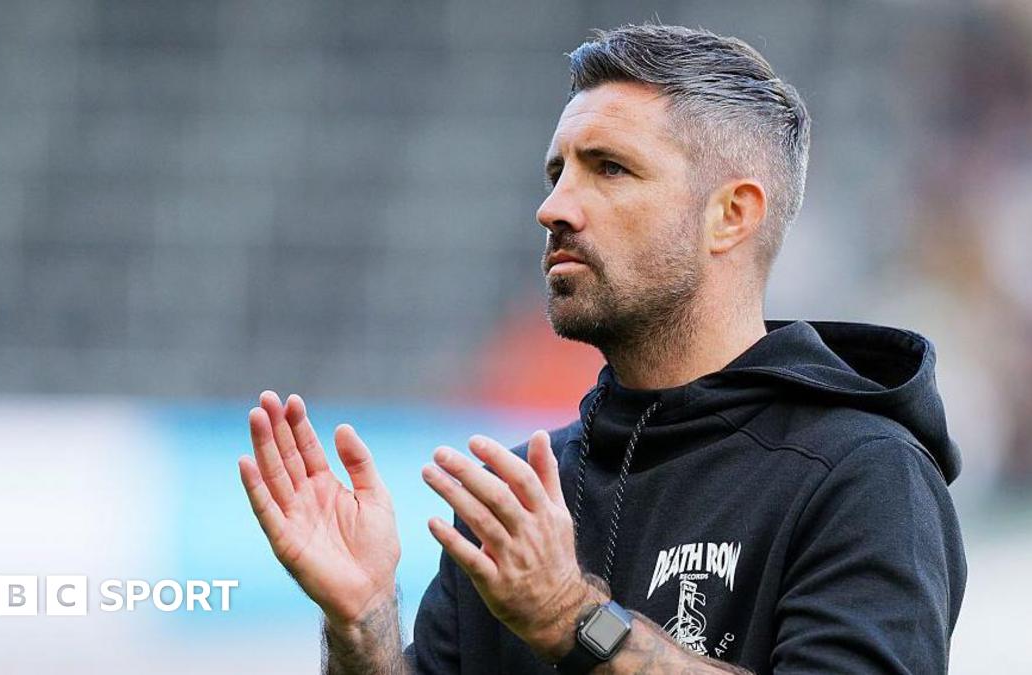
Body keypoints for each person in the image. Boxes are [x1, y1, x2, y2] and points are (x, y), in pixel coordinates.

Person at [238, 23, 967, 675]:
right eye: (558, 173)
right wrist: (362, 621)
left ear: (731, 215)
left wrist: (570, 618)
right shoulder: (523, 497)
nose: (553, 207)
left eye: (609, 168)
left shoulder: (863, 475)